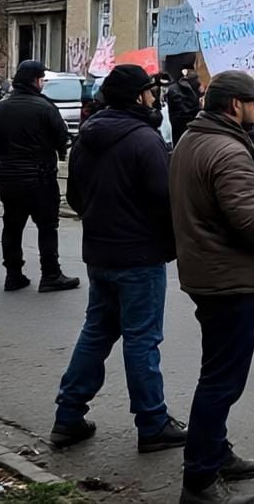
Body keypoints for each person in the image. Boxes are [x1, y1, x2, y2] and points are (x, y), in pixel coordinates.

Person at [169, 70, 254, 504]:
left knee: (217, 371)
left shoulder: (192, 139)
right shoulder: (226, 151)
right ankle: (201, 480)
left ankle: (215, 452)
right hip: (228, 278)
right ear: (234, 106)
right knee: (222, 380)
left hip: (208, 272)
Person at [50, 64, 185, 454]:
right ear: (138, 96)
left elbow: (74, 196)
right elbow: (166, 201)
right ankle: (153, 422)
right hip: (139, 255)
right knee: (142, 339)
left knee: (96, 332)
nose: (155, 96)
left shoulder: (88, 137)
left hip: (100, 251)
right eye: (149, 91)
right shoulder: (144, 140)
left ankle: (68, 415)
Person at [0, 60, 78, 292]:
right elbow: (62, 139)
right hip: (40, 177)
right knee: (47, 226)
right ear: (36, 81)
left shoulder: (1, 106)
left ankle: (13, 274)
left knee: (12, 226)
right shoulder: (45, 107)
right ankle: (50, 274)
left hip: (8, 176)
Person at [166, 68, 203, 146]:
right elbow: (185, 113)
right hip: (184, 132)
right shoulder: (177, 90)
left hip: (183, 135)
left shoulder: (177, 88)